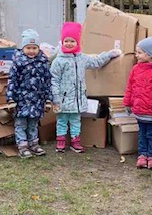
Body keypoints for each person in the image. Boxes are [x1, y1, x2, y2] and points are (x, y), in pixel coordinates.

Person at [50, 22, 122, 153]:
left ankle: (75, 142)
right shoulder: (58, 61)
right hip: (62, 99)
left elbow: (95, 62)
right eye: (66, 41)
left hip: (78, 99)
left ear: (77, 42)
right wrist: (55, 96)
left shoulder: (82, 58)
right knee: (61, 121)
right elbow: (53, 79)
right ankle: (60, 141)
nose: (69, 43)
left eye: (72, 41)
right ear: (62, 42)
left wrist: (109, 54)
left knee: (76, 121)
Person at [123, 37, 152, 170]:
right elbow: (130, 87)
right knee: (142, 134)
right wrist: (127, 103)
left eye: (139, 52)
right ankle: (142, 155)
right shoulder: (136, 69)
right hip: (139, 111)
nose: (136, 55)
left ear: (150, 55)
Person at [6, 29, 52, 158]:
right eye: (28, 48)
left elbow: (47, 81)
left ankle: (34, 144)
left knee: (33, 123)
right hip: (21, 100)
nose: (31, 51)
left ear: (38, 48)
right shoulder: (18, 63)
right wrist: (11, 99)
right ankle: (22, 145)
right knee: (21, 123)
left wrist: (48, 99)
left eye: (34, 48)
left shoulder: (43, 63)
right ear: (23, 48)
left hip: (37, 101)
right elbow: (12, 81)